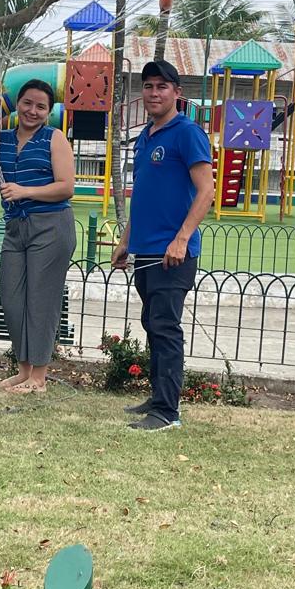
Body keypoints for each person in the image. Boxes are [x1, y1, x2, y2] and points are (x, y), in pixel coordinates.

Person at [111, 60, 214, 431]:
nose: (154, 93)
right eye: (148, 86)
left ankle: (168, 412)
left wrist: (181, 238)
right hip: (146, 250)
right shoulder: (146, 136)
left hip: (173, 253)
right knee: (152, 324)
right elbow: (144, 194)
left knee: (165, 326)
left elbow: (207, 191)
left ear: (177, 93)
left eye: (162, 86)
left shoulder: (187, 133)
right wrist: (126, 241)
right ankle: (158, 397)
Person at [0, 79, 76, 393]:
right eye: (28, 103)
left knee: (41, 300)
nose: (33, 111)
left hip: (51, 226)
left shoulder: (54, 138)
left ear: (48, 111)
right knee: (12, 298)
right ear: (17, 104)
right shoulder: (3, 138)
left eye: (41, 107)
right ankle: (23, 371)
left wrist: (25, 191)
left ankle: (39, 375)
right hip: (16, 228)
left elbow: (66, 187)